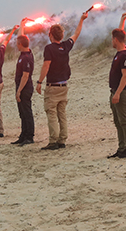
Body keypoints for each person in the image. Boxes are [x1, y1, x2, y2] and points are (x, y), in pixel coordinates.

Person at [36, 11, 90, 151]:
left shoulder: (49, 48)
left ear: (51, 35)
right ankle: (62, 140)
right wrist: (81, 19)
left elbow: (46, 65)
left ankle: (53, 141)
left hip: (53, 87)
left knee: (52, 113)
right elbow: (76, 34)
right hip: (64, 86)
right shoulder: (66, 46)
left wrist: (39, 81)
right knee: (62, 114)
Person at [107, 25, 126, 158]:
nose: (111, 41)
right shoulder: (120, 52)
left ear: (115, 40)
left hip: (121, 92)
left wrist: (117, 93)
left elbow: (125, 76)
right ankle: (121, 148)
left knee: (123, 121)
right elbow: (121, 34)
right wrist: (122, 21)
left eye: (112, 39)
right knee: (117, 121)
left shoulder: (124, 55)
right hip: (114, 91)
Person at [13, 28, 36, 145]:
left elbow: (25, 76)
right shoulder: (23, 54)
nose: (16, 45)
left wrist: (19, 91)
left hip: (25, 88)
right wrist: (22, 25)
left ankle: (29, 136)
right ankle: (23, 135)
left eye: (17, 43)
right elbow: (21, 37)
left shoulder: (27, 57)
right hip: (20, 87)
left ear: (20, 44)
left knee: (27, 112)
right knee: (22, 113)